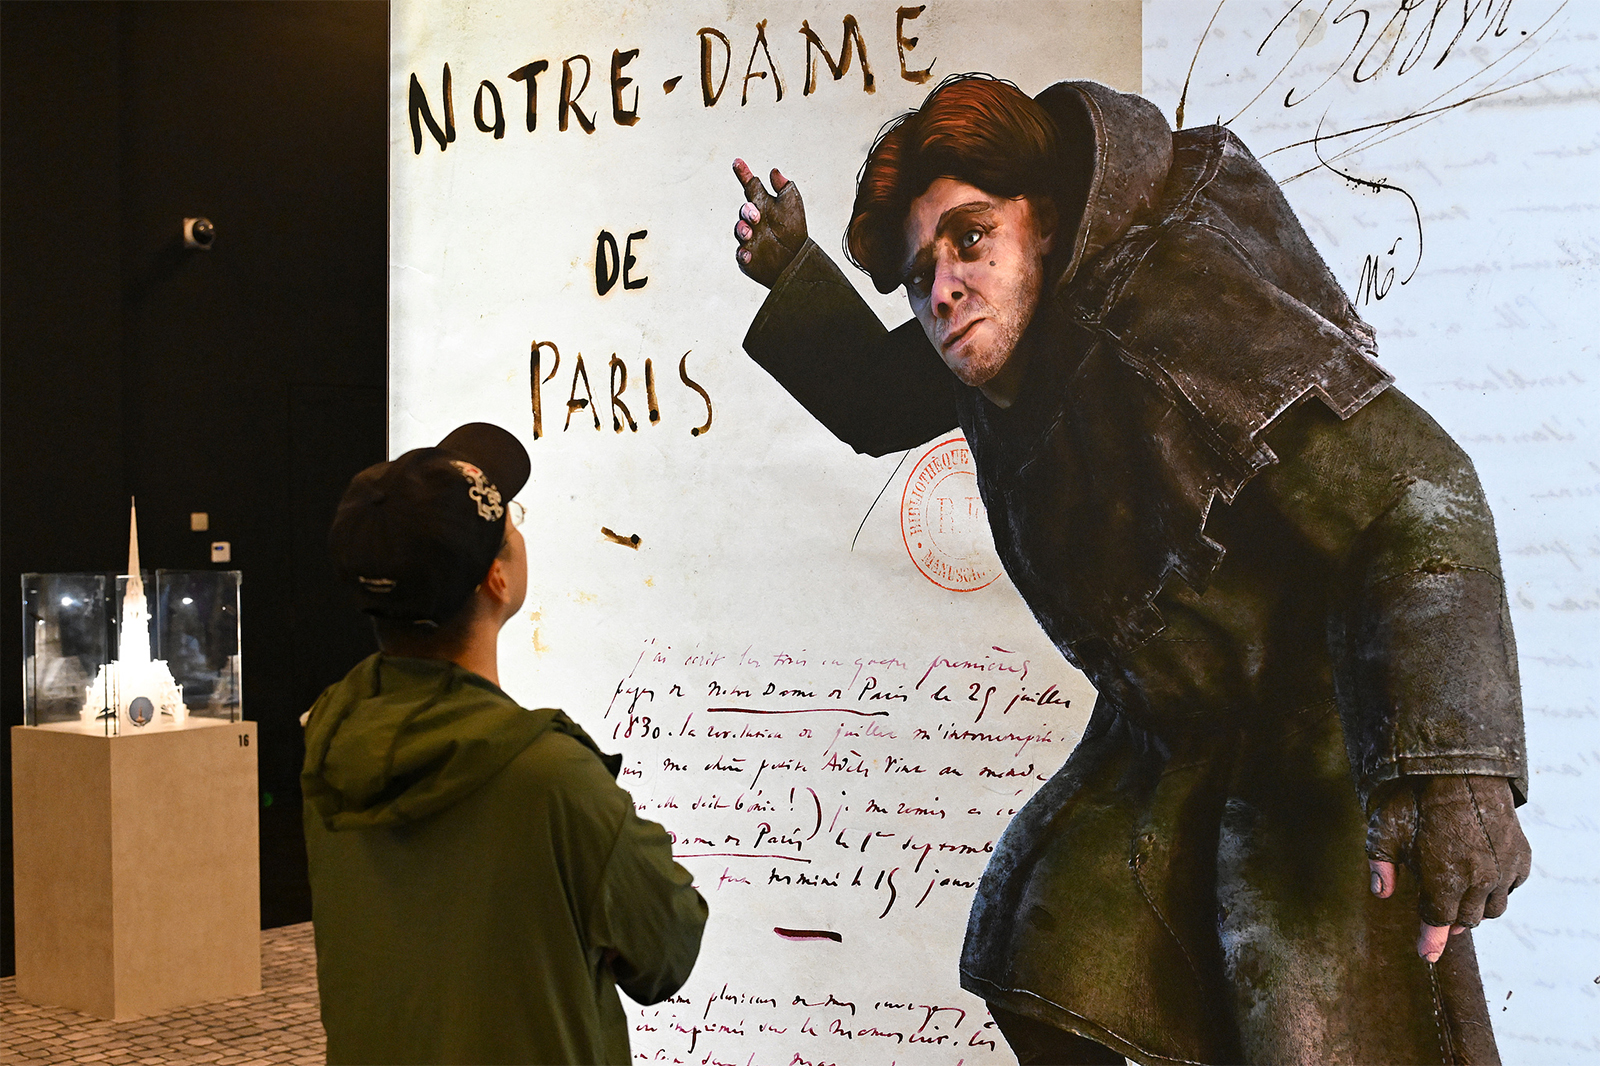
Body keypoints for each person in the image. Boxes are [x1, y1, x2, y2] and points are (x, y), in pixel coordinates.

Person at [730, 75, 1530, 1064]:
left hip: (1305, 730)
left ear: (1048, 223)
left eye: (970, 239)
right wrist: (792, 270)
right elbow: (880, 400)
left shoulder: (1168, 311)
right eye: (919, 269)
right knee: (1044, 933)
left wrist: (1455, 773)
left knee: (1310, 1019)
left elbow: (1418, 485)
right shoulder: (1002, 331)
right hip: (1165, 730)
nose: (940, 288)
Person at [302, 422, 707, 1065]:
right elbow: (667, 950)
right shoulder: (553, 780)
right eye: (509, 523)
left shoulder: (331, 735)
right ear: (496, 577)